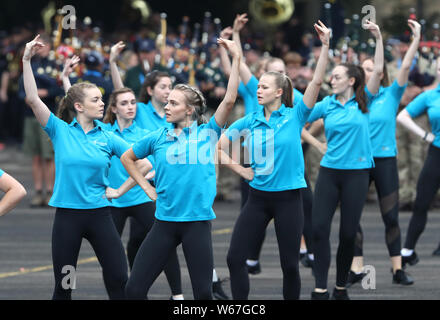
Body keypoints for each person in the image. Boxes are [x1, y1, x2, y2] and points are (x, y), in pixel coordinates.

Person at [219, 21, 330, 300]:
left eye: (265, 87)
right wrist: (241, 170)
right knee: (234, 259)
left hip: (289, 199)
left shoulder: (295, 115)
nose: (258, 90)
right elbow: (217, 148)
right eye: (259, 86)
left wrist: (325, 46)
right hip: (257, 198)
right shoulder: (250, 119)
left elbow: (316, 82)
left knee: (289, 266)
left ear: (279, 92)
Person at [122, 37, 240, 300]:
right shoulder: (157, 137)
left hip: (196, 224)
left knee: (202, 294)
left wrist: (237, 58)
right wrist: (145, 188)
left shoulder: (208, 133)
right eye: (167, 101)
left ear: (189, 110)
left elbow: (230, 100)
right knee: (133, 290)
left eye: (173, 103)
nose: (167, 105)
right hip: (164, 223)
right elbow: (127, 159)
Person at [23, 35, 134, 300]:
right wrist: (26, 60)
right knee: (64, 286)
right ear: (79, 106)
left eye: (101, 98)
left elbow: (141, 164)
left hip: (100, 215)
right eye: (96, 99)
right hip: (68, 219)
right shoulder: (60, 130)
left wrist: (120, 191)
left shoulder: (107, 136)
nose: (102, 103)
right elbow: (32, 99)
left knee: (119, 278)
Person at [308, 20, 383, 300]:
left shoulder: (364, 100)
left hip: (357, 174)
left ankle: (340, 286)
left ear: (351, 81)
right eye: (333, 76)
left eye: (337, 77)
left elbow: (376, 71)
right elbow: (299, 121)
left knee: (349, 235)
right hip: (329, 173)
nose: (332, 80)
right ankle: (319, 287)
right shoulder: (326, 104)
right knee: (318, 229)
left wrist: (377, 38)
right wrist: (318, 144)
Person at [347, 19, 421, 287]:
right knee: (351, 217)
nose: (369, 72)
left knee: (390, 216)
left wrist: (414, 40)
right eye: (364, 69)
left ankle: (397, 269)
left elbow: (403, 67)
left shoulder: (391, 95)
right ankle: (356, 268)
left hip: (385, 160)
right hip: (357, 162)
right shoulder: (353, 100)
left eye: (371, 69)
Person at [397, 55, 440, 265]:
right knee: (422, 202)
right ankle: (407, 251)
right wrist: (425, 135)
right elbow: (402, 116)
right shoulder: (430, 96)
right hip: (437, 152)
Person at [18, 34, 62, 207]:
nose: (41, 49)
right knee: (36, 156)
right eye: (38, 46)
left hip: (49, 115)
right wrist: (31, 97)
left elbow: (58, 89)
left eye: (44, 45)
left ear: (50, 47)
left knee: (49, 156)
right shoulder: (31, 64)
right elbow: (22, 89)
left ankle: (50, 191)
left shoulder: (55, 66)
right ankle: (38, 191)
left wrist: (42, 94)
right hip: (30, 115)